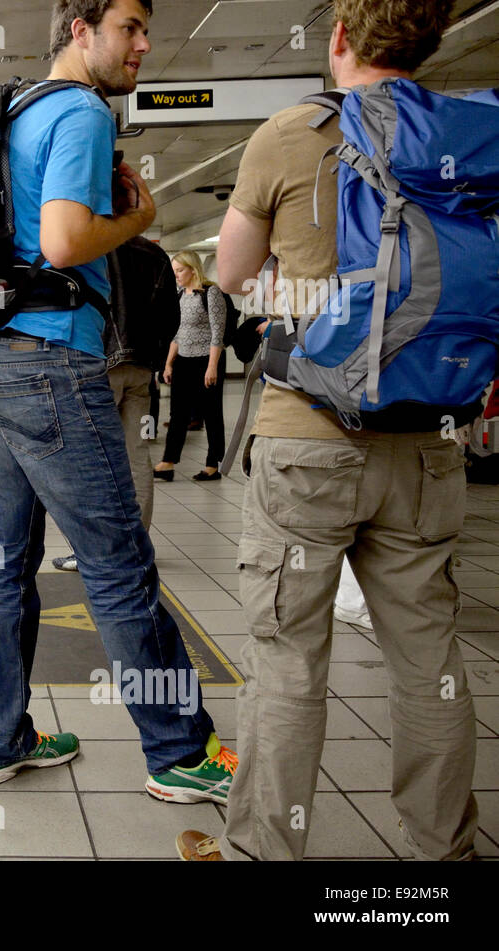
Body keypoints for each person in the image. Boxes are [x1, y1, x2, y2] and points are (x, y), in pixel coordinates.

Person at [178, 0, 477, 862]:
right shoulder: (462, 136)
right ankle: (442, 860)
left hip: (307, 435)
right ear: (431, 41)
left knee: (287, 659)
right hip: (426, 441)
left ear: (339, 37)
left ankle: (269, 851)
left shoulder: (289, 132)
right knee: (429, 660)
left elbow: (232, 274)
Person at [0, 0, 236, 796]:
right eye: (130, 27)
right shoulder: (79, 110)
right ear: (80, 31)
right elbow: (63, 242)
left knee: (1, 558)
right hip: (48, 360)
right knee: (118, 563)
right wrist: (141, 219)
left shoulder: (13, 109)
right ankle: (180, 751)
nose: (144, 45)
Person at [53, 235, 180, 570]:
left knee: (91, 459)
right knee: (137, 455)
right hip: (140, 371)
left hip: (96, 366)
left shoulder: (86, 245)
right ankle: (138, 546)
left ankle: (93, 551)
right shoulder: (153, 252)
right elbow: (171, 319)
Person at [154, 250, 226, 482]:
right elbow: (178, 333)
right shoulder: (179, 295)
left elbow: (218, 333)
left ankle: (212, 465)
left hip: (207, 359)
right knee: (178, 414)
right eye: (174, 271)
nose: (176, 275)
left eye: (179, 270)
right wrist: (168, 364)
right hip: (183, 359)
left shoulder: (211, 293)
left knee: (211, 412)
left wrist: (212, 366)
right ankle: (168, 462)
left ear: (193, 269)